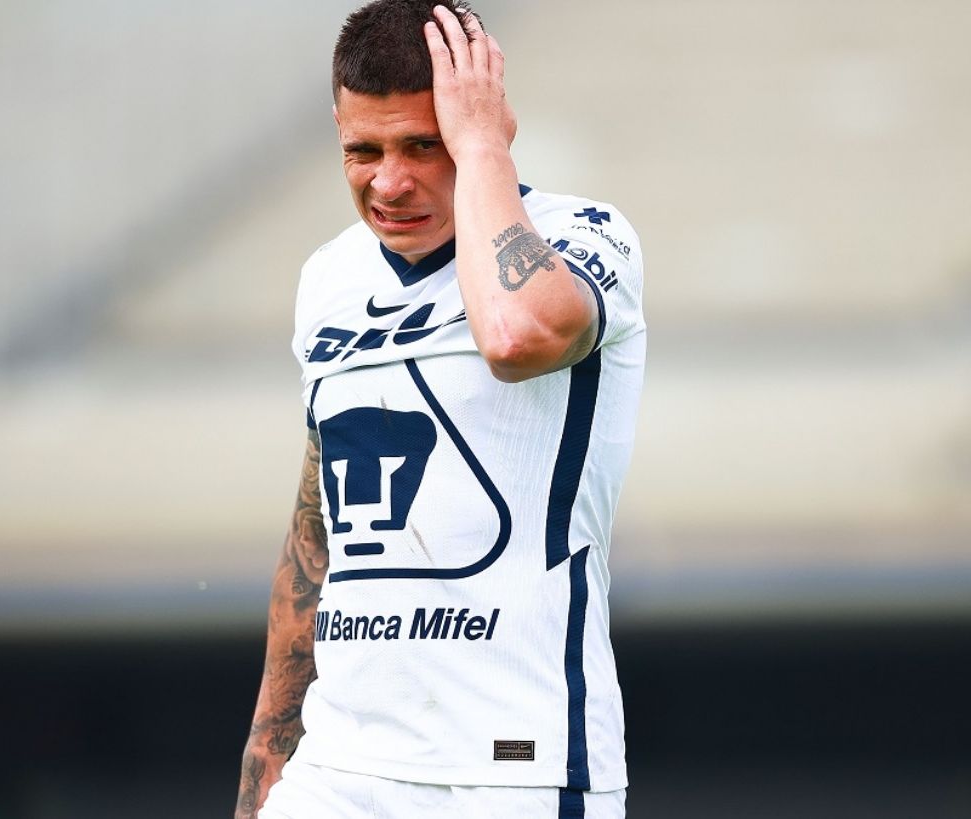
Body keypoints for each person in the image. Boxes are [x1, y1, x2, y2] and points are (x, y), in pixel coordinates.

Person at [235, 1, 644, 816]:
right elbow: (316, 534)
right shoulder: (328, 278)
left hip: (511, 766)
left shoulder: (585, 236)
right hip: (340, 764)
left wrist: (484, 147)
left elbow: (516, 335)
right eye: (364, 150)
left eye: (424, 146)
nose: (389, 182)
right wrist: (267, 758)